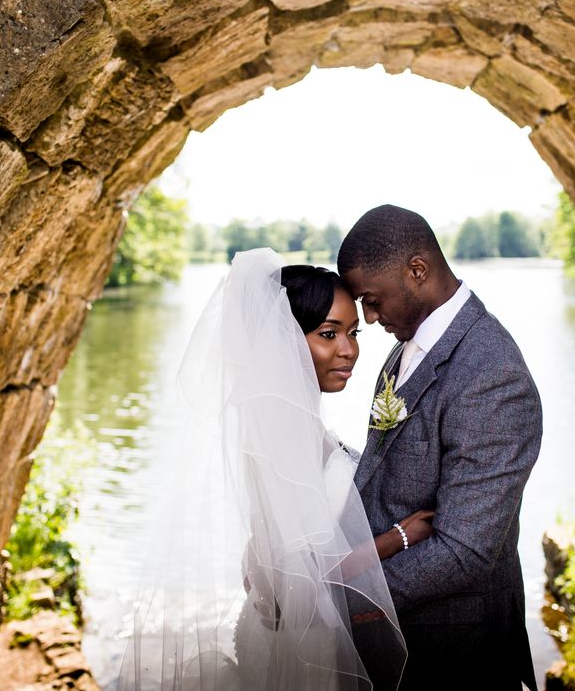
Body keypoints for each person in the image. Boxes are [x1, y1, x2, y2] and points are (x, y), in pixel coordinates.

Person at [118, 248, 432, 691]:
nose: (349, 351)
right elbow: (304, 572)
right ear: (285, 339)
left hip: (279, 626)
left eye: (353, 332)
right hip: (306, 642)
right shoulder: (290, 427)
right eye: (328, 334)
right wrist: (399, 537)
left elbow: (270, 548)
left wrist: (259, 564)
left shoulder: (276, 419)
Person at [337, 204, 542, 691]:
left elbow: (465, 550)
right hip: (397, 647)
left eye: (372, 299)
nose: (368, 316)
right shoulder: (403, 343)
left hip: (453, 650)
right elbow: (385, 470)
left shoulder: (492, 372)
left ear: (417, 271)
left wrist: (350, 602)